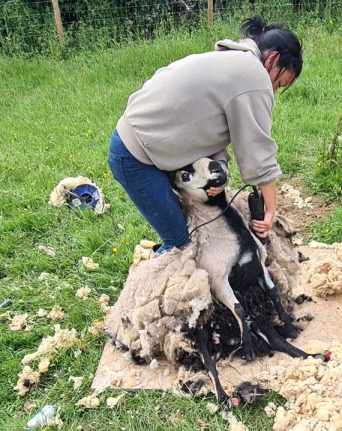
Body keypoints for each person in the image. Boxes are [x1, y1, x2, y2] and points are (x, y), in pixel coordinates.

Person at [108, 15, 303, 254]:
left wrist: (220, 165)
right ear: (272, 59)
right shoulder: (254, 75)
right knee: (180, 245)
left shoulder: (232, 60)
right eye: (279, 82)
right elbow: (258, 153)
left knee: (190, 228)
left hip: (146, 140)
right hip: (136, 154)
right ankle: (147, 288)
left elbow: (205, 124)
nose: (272, 90)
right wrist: (270, 210)